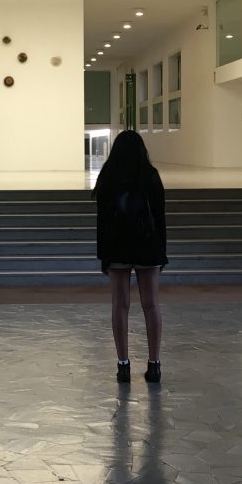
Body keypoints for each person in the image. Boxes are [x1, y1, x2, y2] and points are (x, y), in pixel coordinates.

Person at [93, 130, 167, 383]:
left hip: (117, 247)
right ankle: (154, 364)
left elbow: (102, 222)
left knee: (120, 304)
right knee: (151, 304)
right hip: (147, 245)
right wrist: (161, 253)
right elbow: (160, 217)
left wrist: (103, 255)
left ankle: (123, 365)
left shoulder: (108, 177)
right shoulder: (150, 175)